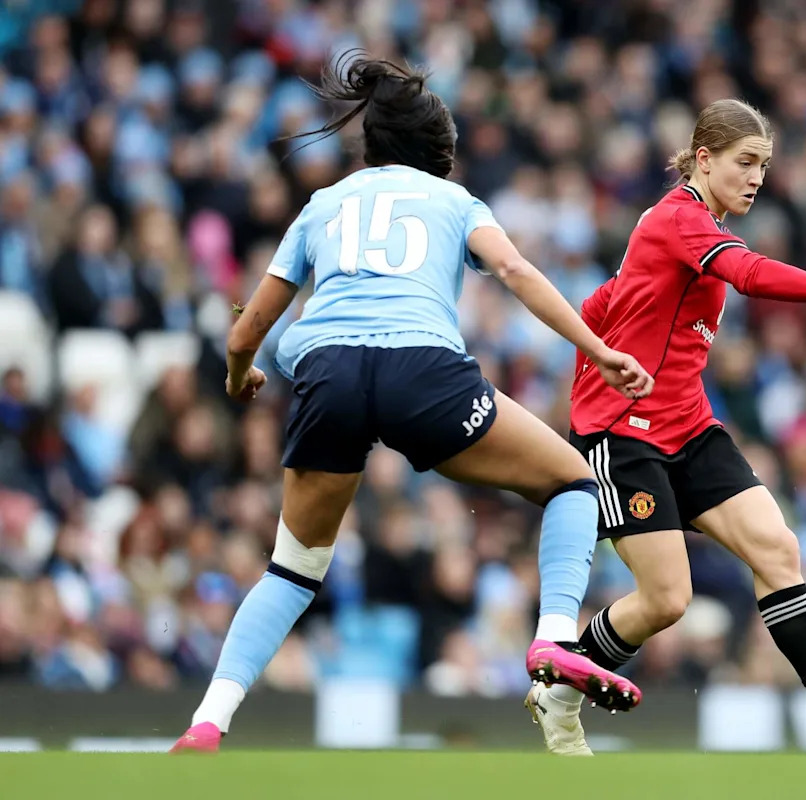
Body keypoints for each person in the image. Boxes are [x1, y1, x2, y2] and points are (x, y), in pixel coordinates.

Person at [169, 54, 654, 754]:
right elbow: (515, 270)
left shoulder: (324, 204)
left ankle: (208, 722)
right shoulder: (454, 202)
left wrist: (241, 375)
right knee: (573, 481)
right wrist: (599, 349)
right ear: (436, 151)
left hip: (326, 375)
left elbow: (246, 330)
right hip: (421, 370)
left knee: (292, 569)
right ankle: (552, 640)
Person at [526, 99, 806, 756]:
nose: (757, 177)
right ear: (704, 159)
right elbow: (745, 273)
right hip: (623, 436)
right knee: (666, 600)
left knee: (777, 547)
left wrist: (604, 350)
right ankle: (561, 695)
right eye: (746, 162)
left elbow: (600, 307)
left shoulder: (680, 226)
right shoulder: (679, 218)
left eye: (764, 166)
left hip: (688, 425)